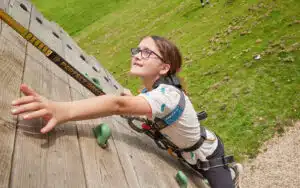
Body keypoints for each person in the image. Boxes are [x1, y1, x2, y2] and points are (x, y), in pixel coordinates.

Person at [11, 36, 242, 188]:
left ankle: (230, 174)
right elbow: (147, 107)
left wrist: (62, 110)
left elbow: (117, 106)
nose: (138, 55)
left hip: (210, 158)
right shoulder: (154, 92)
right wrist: (135, 100)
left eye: (148, 52)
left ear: (164, 67)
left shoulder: (168, 95)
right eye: (138, 50)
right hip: (186, 153)